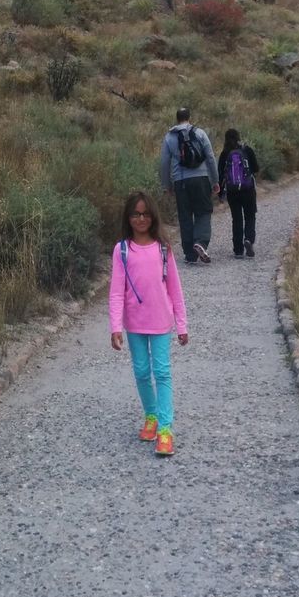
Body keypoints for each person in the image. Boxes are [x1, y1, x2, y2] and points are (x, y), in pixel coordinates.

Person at [109, 190, 188, 457]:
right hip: (135, 324)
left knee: (162, 373)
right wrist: (115, 327)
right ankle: (151, 416)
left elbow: (175, 289)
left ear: (153, 216)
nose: (141, 219)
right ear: (128, 217)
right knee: (142, 372)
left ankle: (165, 429)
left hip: (161, 322)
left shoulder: (163, 249)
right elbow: (116, 292)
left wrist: (182, 325)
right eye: (135, 214)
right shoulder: (122, 250)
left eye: (145, 214)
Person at [159, 108, 219, 264]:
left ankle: (189, 254)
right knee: (203, 212)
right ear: (189, 117)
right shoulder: (200, 133)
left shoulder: (169, 137)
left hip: (181, 181)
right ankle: (200, 242)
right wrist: (215, 180)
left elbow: (164, 163)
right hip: (201, 178)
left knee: (185, 216)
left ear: (177, 118)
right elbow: (210, 157)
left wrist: (167, 185)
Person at [217, 128, 260, 259]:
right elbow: (256, 168)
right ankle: (249, 239)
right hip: (248, 189)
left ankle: (238, 250)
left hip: (232, 191)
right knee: (250, 216)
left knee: (236, 219)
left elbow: (220, 174)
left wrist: (220, 194)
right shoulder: (247, 150)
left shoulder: (225, 153)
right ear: (238, 137)